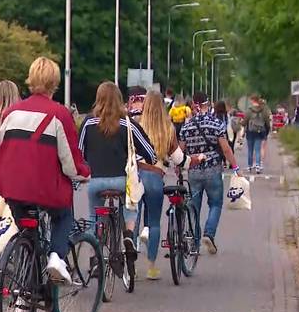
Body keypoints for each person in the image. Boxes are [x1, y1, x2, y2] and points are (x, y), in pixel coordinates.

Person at [0, 57, 90, 284]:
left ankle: (26, 291)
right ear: (55, 82)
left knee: (28, 231)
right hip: (46, 190)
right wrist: (85, 173)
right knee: (63, 215)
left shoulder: (11, 113)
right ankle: (56, 257)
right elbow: (70, 164)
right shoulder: (60, 114)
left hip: (12, 189)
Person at [79, 81, 157, 276]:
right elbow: (150, 153)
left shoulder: (88, 122)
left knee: (93, 218)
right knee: (131, 206)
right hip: (121, 181)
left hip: (96, 182)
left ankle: (95, 258)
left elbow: (78, 151)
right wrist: (148, 160)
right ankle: (129, 235)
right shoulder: (127, 124)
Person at [179, 91, 240, 254]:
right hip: (213, 169)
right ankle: (209, 233)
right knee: (215, 203)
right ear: (208, 104)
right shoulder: (216, 123)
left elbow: (181, 150)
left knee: (193, 207)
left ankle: (195, 243)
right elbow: (226, 149)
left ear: (193, 105)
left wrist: (179, 168)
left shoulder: (187, 125)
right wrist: (235, 168)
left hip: (193, 171)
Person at [137, 90, 183, 280]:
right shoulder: (168, 128)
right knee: (154, 222)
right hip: (156, 176)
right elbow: (178, 157)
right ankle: (151, 266)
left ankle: (129, 265)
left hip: (137, 175)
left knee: (133, 217)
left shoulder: (137, 125)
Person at [243, 95, 271, 174]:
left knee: (250, 150)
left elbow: (245, 121)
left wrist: (241, 123)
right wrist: (267, 129)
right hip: (259, 131)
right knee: (258, 149)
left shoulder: (249, 110)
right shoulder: (263, 110)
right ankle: (258, 166)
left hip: (250, 131)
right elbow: (267, 121)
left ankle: (249, 166)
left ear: (252, 101)